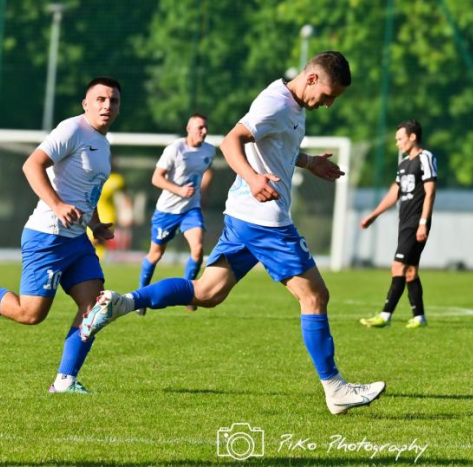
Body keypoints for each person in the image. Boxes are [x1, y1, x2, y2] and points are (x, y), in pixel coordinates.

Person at [79, 52, 385, 414]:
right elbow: (231, 142)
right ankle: (335, 388)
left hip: (244, 218)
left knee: (207, 293)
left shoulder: (293, 106)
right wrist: (255, 179)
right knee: (315, 296)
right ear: (313, 79)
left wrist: (309, 162)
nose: (329, 104)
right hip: (265, 220)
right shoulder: (275, 102)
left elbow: (277, 146)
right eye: (329, 95)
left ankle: (123, 302)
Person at [0, 77, 122, 394]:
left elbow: (89, 192)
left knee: (95, 308)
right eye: (100, 99)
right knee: (29, 314)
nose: (107, 106)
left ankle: (65, 381)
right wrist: (56, 205)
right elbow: (32, 165)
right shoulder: (71, 130)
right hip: (47, 237)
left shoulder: (104, 144)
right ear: (86, 104)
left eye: (113, 101)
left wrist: (95, 225)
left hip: (77, 241)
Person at [359, 120, 437, 329]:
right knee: (410, 270)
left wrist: (423, 223)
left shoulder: (426, 158)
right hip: (405, 223)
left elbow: (430, 193)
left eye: (400, 139)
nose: (397, 144)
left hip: (416, 223)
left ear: (412, 137)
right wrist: (374, 215)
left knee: (398, 266)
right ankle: (419, 317)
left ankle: (385, 316)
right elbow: (395, 192)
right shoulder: (403, 164)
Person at [137, 113, 215, 315]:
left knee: (197, 249)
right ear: (188, 129)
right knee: (156, 255)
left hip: (191, 209)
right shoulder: (175, 150)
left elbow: (206, 171)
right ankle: (141, 296)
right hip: (167, 211)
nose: (204, 131)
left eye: (205, 127)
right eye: (199, 127)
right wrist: (179, 190)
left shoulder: (209, 150)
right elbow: (156, 178)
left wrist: (203, 192)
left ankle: (189, 295)